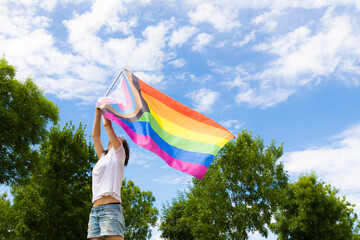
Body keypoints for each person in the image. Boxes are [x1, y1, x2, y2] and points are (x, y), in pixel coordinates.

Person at [87, 107, 130, 240]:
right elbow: (95, 136)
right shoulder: (103, 158)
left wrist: (104, 107)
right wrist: (97, 113)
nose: (117, 137)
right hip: (95, 211)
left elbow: (107, 125)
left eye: (120, 138)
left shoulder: (118, 155)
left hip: (111, 209)